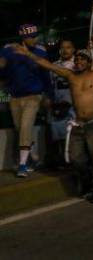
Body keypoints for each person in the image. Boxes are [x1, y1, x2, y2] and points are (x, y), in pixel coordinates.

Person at [12, 45, 93, 203]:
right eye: (77, 59)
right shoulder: (70, 76)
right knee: (76, 159)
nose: (78, 61)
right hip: (78, 123)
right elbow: (47, 65)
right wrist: (28, 54)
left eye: (82, 59)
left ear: (89, 62)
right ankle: (87, 185)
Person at [0, 24, 51, 177]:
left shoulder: (41, 51)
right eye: (31, 36)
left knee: (25, 126)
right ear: (23, 38)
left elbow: (46, 75)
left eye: (35, 36)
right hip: (15, 96)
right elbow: (2, 70)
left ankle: (22, 165)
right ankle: (31, 156)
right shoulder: (9, 49)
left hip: (33, 95)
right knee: (20, 129)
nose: (35, 39)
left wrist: (48, 95)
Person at [49, 40, 76, 167]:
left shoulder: (78, 63)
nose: (65, 50)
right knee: (58, 135)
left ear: (73, 49)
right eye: (62, 48)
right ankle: (62, 162)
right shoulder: (54, 65)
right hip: (58, 106)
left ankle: (73, 162)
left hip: (74, 106)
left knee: (73, 136)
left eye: (68, 47)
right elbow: (50, 85)